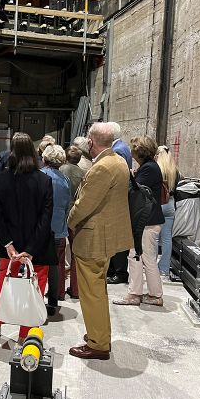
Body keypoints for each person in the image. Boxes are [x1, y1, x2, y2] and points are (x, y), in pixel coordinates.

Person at [68, 123, 133, 360]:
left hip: (94, 237)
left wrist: (70, 221)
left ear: (92, 142)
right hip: (107, 235)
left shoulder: (102, 168)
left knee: (92, 292)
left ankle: (98, 344)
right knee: (98, 289)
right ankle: (99, 334)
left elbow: (84, 204)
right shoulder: (119, 162)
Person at [0, 132, 55, 342]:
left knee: (4, 280)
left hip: (11, 244)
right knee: (35, 285)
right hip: (38, 246)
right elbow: (46, 218)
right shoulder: (44, 180)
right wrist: (32, 249)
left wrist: (8, 243)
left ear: (12, 153)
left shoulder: (1, 180)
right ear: (34, 153)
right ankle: (24, 335)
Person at [113, 135, 165, 307]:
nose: (131, 154)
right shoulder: (149, 167)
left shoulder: (149, 168)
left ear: (140, 152)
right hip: (148, 221)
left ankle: (141, 294)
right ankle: (147, 294)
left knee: (140, 257)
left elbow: (137, 192)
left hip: (146, 221)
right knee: (141, 257)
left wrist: (129, 177)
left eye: (133, 150)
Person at [41, 144, 70, 314]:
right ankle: (53, 302)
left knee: (38, 267)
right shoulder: (65, 179)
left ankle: (36, 301)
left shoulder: (41, 176)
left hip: (42, 229)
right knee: (55, 266)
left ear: (45, 158)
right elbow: (67, 205)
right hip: (59, 228)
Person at [107, 121, 132, 285]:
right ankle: (117, 270)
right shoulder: (123, 147)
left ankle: (120, 272)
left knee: (116, 239)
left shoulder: (117, 151)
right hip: (121, 198)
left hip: (117, 200)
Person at [60, 145, 85, 299]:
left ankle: (59, 290)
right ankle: (75, 289)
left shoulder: (61, 170)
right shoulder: (84, 174)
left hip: (62, 214)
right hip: (76, 217)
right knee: (76, 254)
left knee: (60, 253)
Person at [156, 145, 180, 280]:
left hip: (158, 204)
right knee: (166, 238)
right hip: (170, 204)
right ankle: (164, 269)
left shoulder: (156, 168)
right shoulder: (174, 170)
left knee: (153, 237)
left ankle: (151, 267)